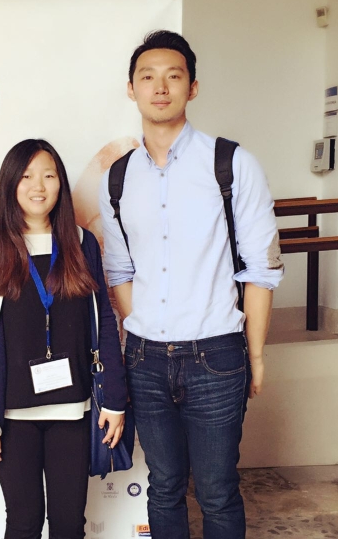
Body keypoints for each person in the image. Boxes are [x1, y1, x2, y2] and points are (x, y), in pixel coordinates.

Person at [98, 31, 284, 539]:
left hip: (216, 354)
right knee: (163, 486)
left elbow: (261, 270)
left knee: (218, 490)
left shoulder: (232, 164)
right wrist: (145, 331)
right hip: (144, 359)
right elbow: (120, 272)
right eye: (148, 77)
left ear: (193, 87)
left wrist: (256, 355)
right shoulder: (117, 178)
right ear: (131, 89)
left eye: (173, 76)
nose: (160, 87)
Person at [0, 139, 127, 539]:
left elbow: (104, 321)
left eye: (49, 175)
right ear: (10, 184)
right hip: (12, 417)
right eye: (27, 176)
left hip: (72, 410)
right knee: (23, 523)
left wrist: (115, 399)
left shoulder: (81, 243)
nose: (39, 186)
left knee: (69, 525)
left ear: (60, 184)